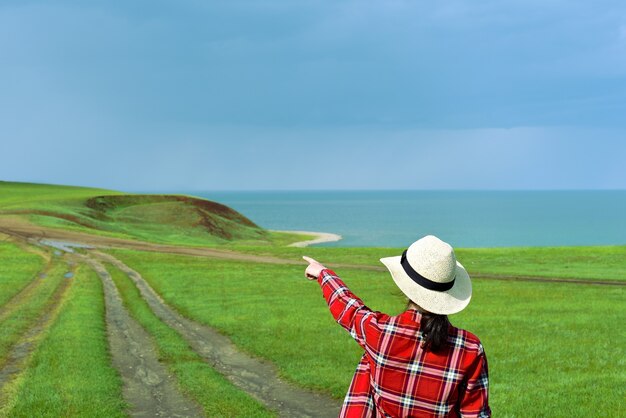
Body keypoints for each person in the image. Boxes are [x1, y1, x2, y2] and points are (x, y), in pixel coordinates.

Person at [303, 235, 491, 418]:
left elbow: (348, 307)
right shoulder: (470, 349)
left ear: (406, 287)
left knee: (369, 361)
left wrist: (322, 273)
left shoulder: (380, 332)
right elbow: (475, 413)